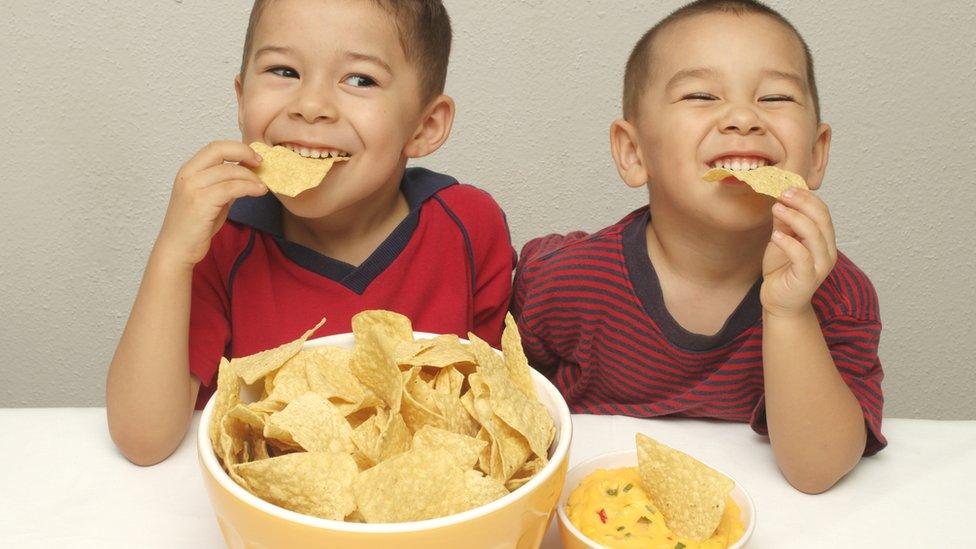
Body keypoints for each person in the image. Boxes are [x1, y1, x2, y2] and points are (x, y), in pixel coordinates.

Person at [107, 0, 514, 466]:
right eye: (283, 71)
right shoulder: (221, 240)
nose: (311, 106)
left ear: (425, 125)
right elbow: (142, 441)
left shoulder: (467, 227)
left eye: (360, 79)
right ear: (241, 100)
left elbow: (494, 417)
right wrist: (172, 256)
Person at [512, 0, 884, 493]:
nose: (742, 118)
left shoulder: (838, 295)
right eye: (701, 95)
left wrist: (789, 312)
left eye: (775, 97)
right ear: (633, 152)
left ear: (816, 155)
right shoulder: (561, 282)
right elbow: (504, 426)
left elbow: (817, 472)